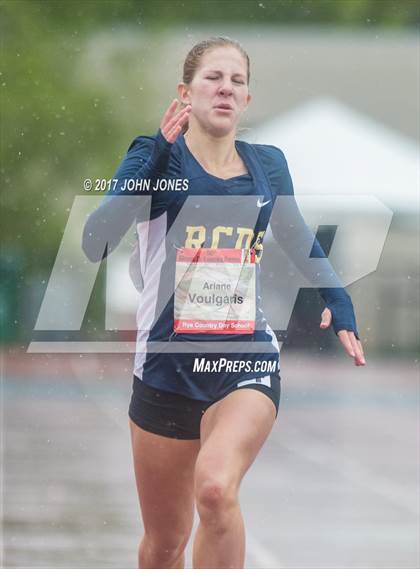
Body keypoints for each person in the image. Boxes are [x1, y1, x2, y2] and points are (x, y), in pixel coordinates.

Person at [83, 36, 366, 569]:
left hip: (245, 360)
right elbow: (95, 241)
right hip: (166, 371)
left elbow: (299, 239)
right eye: (214, 77)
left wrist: (338, 298)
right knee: (165, 544)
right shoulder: (151, 154)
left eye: (237, 81)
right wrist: (154, 163)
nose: (226, 89)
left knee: (214, 490)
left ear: (247, 100)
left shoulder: (267, 166)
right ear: (185, 91)